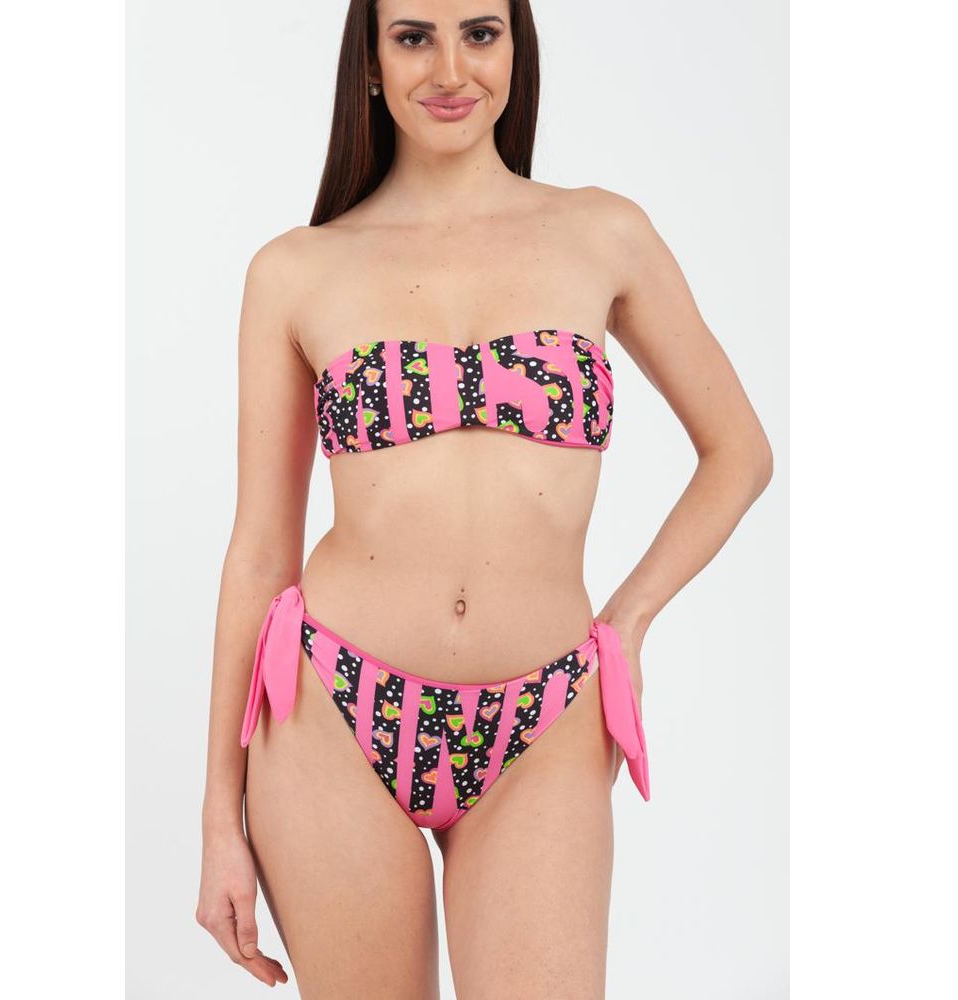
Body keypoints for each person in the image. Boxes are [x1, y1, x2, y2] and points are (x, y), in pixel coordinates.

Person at [196, 1, 773, 996]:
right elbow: (258, 549)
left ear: (516, 45)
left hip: (544, 717)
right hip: (332, 710)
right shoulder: (296, 270)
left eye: (481, 32)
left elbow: (739, 452)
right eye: (413, 36)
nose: (451, 70)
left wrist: (626, 622)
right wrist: (218, 818)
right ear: (370, 61)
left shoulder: (603, 233)